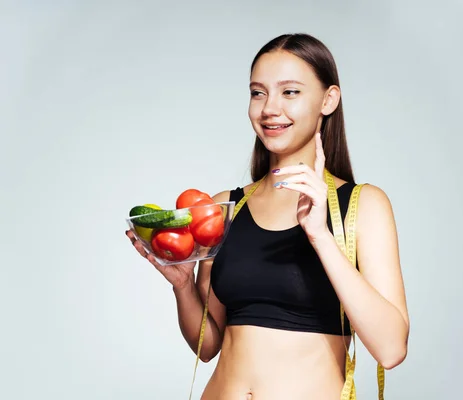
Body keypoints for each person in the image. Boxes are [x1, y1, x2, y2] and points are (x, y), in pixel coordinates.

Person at [126, 33, 410, 400]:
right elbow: (208, 345)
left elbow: (391, 349)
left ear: (328, 99)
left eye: (289, 92)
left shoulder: (363, 205)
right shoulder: (225, 207)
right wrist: (182, 285)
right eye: (258, 92)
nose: (269, 108)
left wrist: (320, 236)